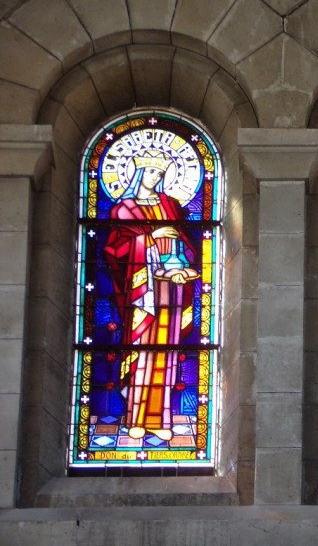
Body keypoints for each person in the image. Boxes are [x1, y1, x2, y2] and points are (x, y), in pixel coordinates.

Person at [103, 150, 198, 441]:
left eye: (160, 173)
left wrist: (182, 268)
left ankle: (161, 419)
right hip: (141, 295)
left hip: (172, 289)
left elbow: (183, 245)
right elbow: (115, 251)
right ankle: (135, 418)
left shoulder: (170, 205)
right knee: (143, 356)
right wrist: (150, 239)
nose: (155, 178)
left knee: (165, 357)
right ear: (138, 173)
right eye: (150, 172)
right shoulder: (124, 209)